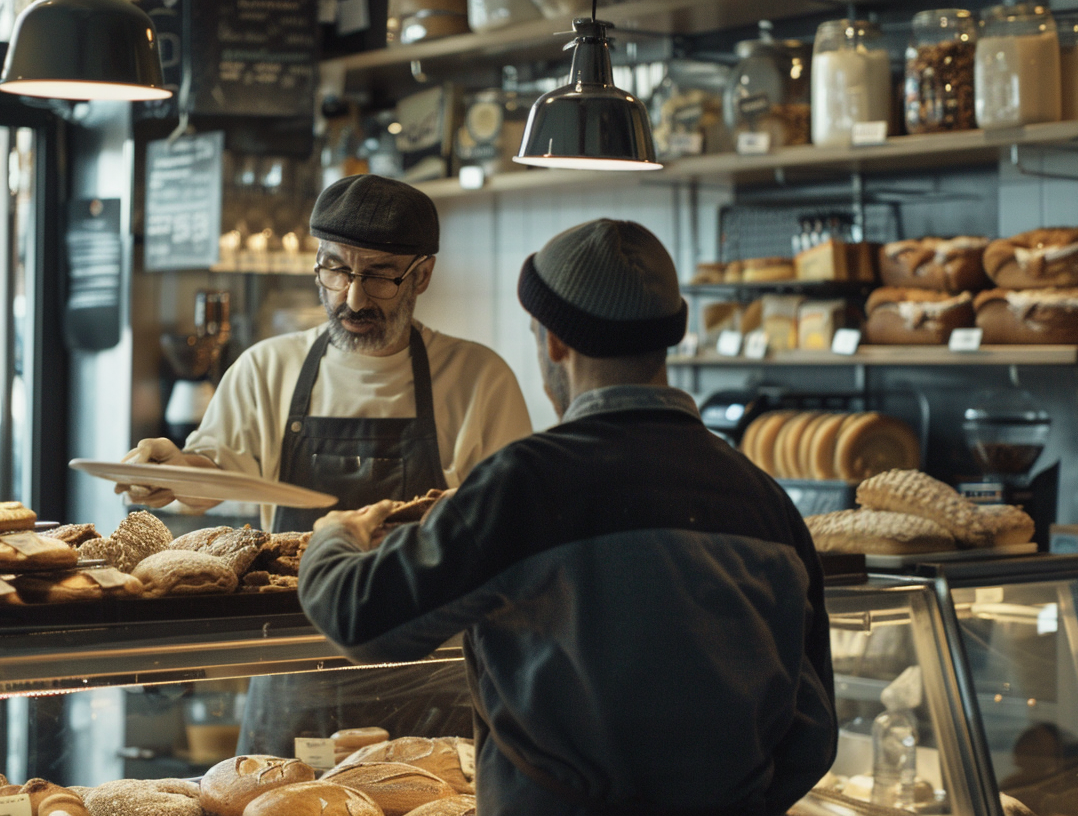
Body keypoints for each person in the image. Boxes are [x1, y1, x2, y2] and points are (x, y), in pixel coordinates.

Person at [299, 219, 838, 816]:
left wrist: (333, 538)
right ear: (666, 339)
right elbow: (811, 732)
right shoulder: (763, 499)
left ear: (554, 341)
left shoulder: (528, 484)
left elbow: (358, 616)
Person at [117, 174, 533, 753]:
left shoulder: (478, 379)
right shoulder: (267, 368)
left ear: (423, 274)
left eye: (381, 276)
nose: (353, 299)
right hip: (297, 667)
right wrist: (168, 470)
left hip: (435, 680)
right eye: (336, 270)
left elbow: (515, 534)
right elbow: (211, 477)